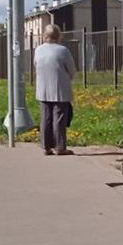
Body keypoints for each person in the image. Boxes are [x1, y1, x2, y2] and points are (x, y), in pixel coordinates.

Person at [34, 24, 76, 155]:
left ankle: (46, 147)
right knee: (59, 118)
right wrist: (67, 78)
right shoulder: (63, 50)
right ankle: (60, 147)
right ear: (59, 36)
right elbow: (72, 70)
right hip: (60, 89)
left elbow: (36, 65)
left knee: (45, 118)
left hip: (43, 89)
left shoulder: (38, 50)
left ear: (44, 35)